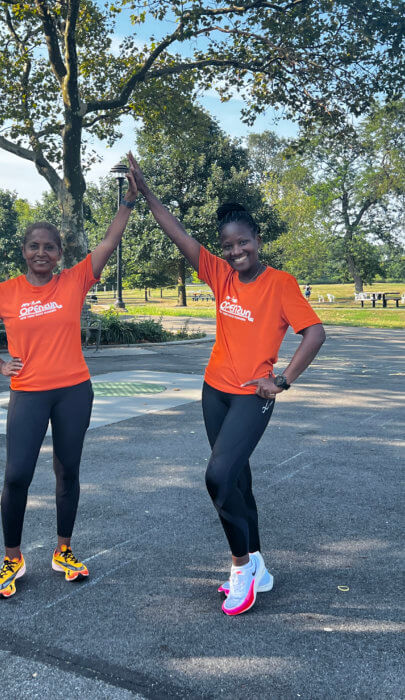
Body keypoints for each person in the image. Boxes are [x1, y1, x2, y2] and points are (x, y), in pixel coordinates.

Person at [127, 152, 326, 616]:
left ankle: (240, 569)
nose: (235, 252)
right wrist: (147, 192)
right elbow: (176, 232)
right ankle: (257, 563)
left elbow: (314, 333)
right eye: (228, 245)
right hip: (214, 389)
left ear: (258, 240)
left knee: (216, 475)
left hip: (253, 395)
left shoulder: (281, 284)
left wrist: (283, 379)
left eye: (243, 244)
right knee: (236, 477)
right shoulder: (219, 274)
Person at [0, 171, 138, 598]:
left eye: (50, 247)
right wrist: (0, 364)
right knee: (17, 474)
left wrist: (128, 202)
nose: (42, 252)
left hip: (74, 390)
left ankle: (64, 550)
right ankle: (12, 557)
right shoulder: (5, 292)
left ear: (59, 254)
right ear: (24, 251)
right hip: (29, 393)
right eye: (34, 246)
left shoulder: (74, 281)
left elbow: (109, 243)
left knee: (67, 471)